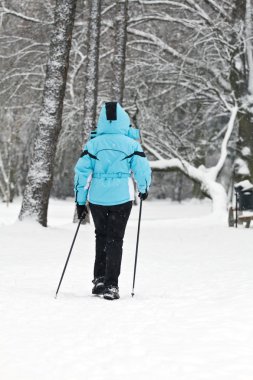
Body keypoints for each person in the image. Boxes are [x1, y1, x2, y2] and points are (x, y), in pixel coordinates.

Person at [74, 102, 151, 300]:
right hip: (121, 198)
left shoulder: (92, 145)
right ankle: (111, 286)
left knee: (101, 236)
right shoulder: (131, 145)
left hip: (98, 198)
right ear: (124, 121)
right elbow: (141, 169)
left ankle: (99, 279)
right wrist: (143, 188)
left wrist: (80, 202)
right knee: (115, 239)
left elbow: (82, 174)